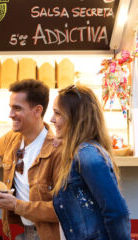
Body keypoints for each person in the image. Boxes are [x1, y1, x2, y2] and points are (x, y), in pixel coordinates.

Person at [0, 79, 61, 240]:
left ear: (37, 110)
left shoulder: (56, 150)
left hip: (47, 234)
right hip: (21, 231)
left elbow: (61, 209)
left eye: (17, 108)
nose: (10, 114)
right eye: (11, 108)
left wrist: (15, 205)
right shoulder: (13, 138)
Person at [50, 84, 131, 240]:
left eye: (57, 113)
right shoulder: (79, 153)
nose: (52, 119)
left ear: (76, 118)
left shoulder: (86, 155)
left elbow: (116, 212)